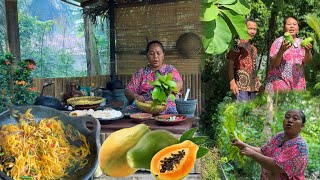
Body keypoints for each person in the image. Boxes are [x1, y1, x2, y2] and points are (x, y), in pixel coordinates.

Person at [232, 109, 308, 179]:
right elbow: (263, 151)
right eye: (287, 117)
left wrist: (253, 154)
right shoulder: (279, 136)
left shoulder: (300, 147)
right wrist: (242, 144)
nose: (290, 120)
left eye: (295, 118)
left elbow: (275, 166)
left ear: (302, 126)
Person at [124, 40, 183, 114]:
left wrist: (164, 89)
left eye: (158, 53)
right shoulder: (141, 72)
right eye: (152, 54)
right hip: (144, 106)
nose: (155, 57)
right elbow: (128, 90)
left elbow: (179, 84)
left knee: (172, 116)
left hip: (166, 106)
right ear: (147, 56)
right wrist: (136, 97)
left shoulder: (170, 69)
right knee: (126, 114)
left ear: (163, 55)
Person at [265, 16, 313, 93]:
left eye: (294, 24)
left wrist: (308, 51)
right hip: (279, 81)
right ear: (284, 28)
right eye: (288, 24)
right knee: (280, 104)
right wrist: (281, 50)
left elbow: (307, 61)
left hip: (297, 83)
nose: (292, 26)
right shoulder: (278, 42)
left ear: (298, 28)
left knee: (296, 104)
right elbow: (274, 63)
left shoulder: (302, 43)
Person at [226, 19, 262, 101]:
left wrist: (259, 84)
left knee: (250, 112)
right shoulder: (238, 44)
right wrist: (232, 82)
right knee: (240, 111)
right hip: (240, 87)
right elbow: (231, 63)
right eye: (249, 28)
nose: (252, 32)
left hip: (253, 88)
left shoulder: (253, 48)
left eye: (254, 29)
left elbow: (253, 69)